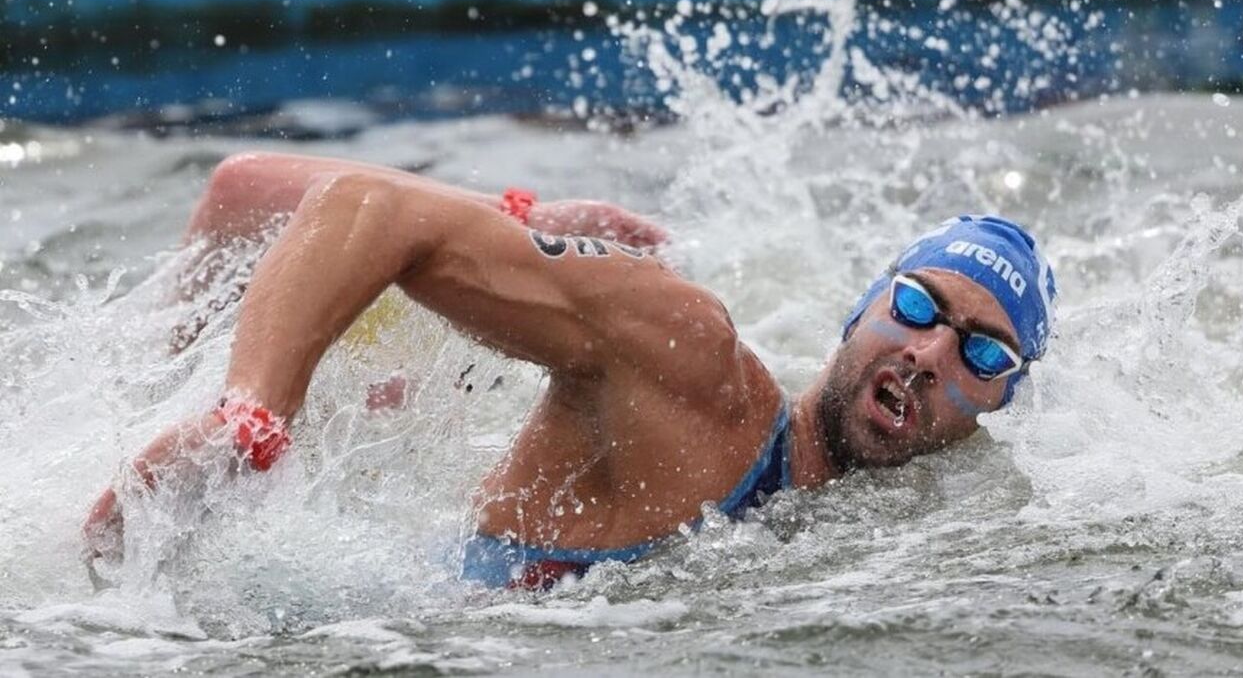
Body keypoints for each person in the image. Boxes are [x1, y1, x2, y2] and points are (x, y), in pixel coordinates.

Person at [83, 151, 1056, 590]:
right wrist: (251, 419)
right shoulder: (697, 363)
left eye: (980, 350)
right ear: (864, 307)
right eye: (920, 306)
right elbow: (364, 203)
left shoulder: (934, 547)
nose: (928, 353)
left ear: (1001, 402)